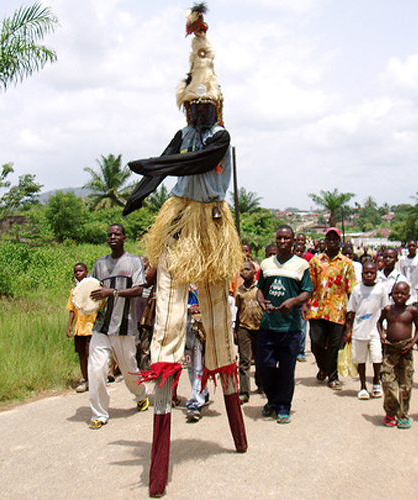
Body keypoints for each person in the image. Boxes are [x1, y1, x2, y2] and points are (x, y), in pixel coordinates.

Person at [122, 6, 247, 495]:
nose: (196, 113)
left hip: (211, 233)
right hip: (177, 228)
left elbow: (186, 161)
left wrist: (152, 164)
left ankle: (232, 416)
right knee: (170, 324)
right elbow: (162, 168)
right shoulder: (186, 131)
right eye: (190, 108)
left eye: (203, 107)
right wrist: (135, 196)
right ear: (186, 108)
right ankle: (158, 452)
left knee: (217, 323)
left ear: (215, 107)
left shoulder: (219, 138)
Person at [87, 224, 149, 430]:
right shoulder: (99, 264)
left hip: (124, 327)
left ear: (124, 237)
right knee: (96, 370)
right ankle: (99, 413)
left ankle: (141, 394)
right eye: (110, 234)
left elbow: (139, 290)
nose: (113, 237)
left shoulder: (133, 262)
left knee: (129, 370)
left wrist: (112, 292)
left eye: (117, 234)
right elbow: (92, 290)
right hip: (101, 327)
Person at [256, 225, 313, 424]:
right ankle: (272, 399)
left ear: (293, 241)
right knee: (265, 367)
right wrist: (261, 302)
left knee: (287, 370)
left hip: (290, 328)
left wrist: (294, 302)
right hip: (267, 325)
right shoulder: (265, 264)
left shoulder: (301, 265)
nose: (282, 242)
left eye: (286, 238)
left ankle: (282, 407)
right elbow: (260, 289)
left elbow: (307, 292)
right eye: (279, 238)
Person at [308, 227, 357, 390]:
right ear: (325, 240)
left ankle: (332, 376)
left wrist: (352, 313)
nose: (332, 241)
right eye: (329, 238)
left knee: (335, 345)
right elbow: (310, 285)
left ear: (339, 241)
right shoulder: (315, 261)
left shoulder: (347, 263)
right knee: (316, 342)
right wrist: (304, 304)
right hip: (318, 309)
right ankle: (323, 367)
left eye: (335, 239)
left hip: (338, 311)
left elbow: (352, 289)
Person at [377, 282, 418, 428]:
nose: (400, 296)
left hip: (405, 350)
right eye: (397, 293)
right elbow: (379, 322)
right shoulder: (388, 309)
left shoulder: (412, 311)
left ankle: (403, 414)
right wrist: (381, 336)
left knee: (405, 384)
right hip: (390, 349)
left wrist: (412, 344)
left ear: (408, 296)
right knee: (387, 381)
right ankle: (390, 411)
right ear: (392, 294)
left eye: (403, 294)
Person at [344, 261, 388, 400]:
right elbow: (351, 312)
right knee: (360, 359)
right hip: (359, 330)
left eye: (372, 273)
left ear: (376, 274)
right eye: (366, 273)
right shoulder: (357, 289)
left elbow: (385, 310)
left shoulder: (381, 289)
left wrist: (383, 331)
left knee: (377, 358)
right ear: (362, 274)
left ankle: (376, 382)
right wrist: (349, 331)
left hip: (374, 329)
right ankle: (363, 386)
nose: (369, 275)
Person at [235, 261, 263, 404]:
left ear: (254, 271)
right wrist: (236, 329)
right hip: (245, 327)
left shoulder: (260, 288)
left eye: (248, 269)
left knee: (260, 359)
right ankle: (244, 392)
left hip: (260, 328)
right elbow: (239, 310)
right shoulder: (239, 291)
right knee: (244, 360)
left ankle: (261, 384)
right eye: (242, 270)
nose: (245, 272)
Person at [66, 262, 96, 393]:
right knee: (81, 355)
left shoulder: (93, 288)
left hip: (91, 327)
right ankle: (85, 379)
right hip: (79, 328)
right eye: (76, 272)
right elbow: (72, 309)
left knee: (91, 354)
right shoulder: (74, 291)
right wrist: (69, 325)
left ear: (87, 272)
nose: (78, 274)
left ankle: (94, 380)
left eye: (81, 271)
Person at [185, 286, 210, 422]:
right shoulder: (182, 278)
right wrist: (188, 307)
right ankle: (202, 392)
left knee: (198, 363)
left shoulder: (205, 277)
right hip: (183, 324)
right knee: (190, 363)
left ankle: (195, 401)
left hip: (201, 324)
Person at [293, 242, 309, 361]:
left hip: (301, 303)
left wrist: (304, 305)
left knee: (302, 329)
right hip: (290, 302)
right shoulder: (290, 265)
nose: (299, 253)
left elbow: (306, 288)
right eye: (296, 251)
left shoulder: (305, 266)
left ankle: (300, 351)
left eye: (301, 251)